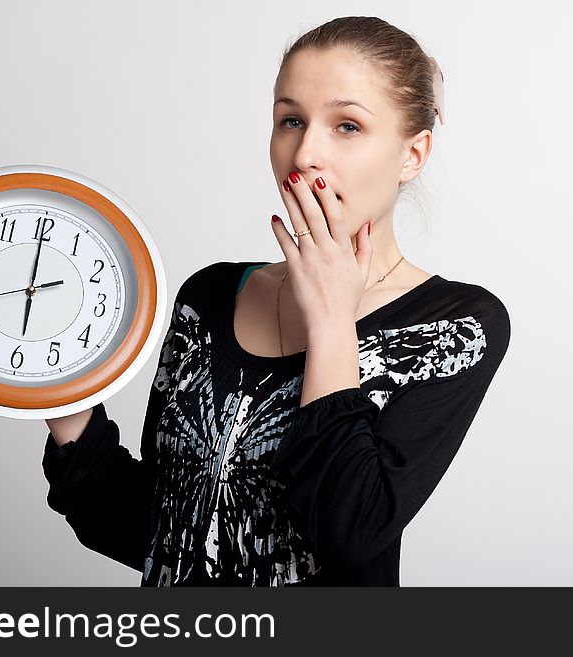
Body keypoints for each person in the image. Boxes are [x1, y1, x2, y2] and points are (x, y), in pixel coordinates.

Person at [42, 16, 511, 586]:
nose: (306, 152)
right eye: (291, 120)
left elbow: (352, 534)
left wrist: (334, 319)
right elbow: (151, 531)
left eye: (347, 126)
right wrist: (64, 401)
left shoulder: (455, 326)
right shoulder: (209, 295)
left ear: (413, 155)